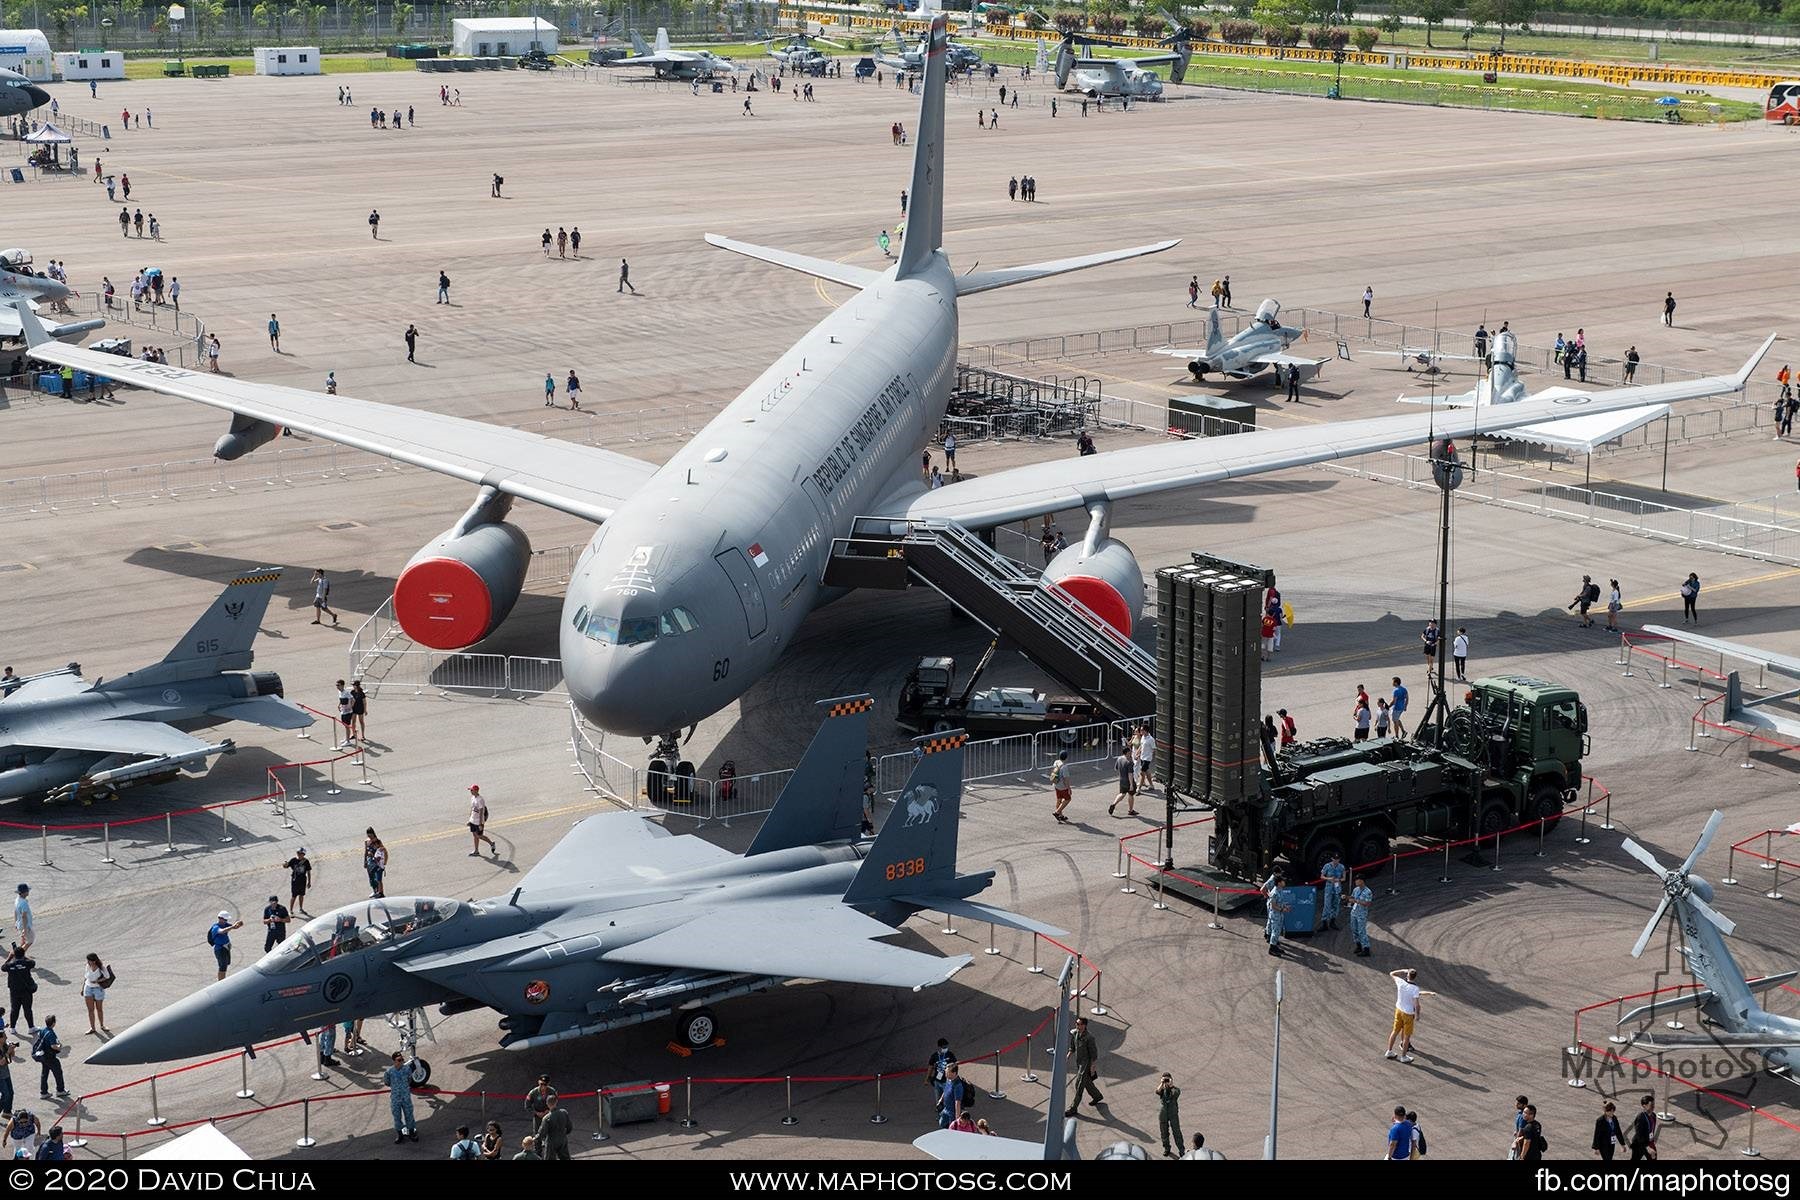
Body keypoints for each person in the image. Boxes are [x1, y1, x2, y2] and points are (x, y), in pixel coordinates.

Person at [1384, 968, 1436, 1062]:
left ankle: (1389, 1051)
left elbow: (1392, 973)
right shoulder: (1414, 988)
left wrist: (1404, 970)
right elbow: (1417, 1004)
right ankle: (1403, 1057)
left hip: (1399, 1010)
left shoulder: (1400, 982)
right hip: (1408, 1014)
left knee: (1395, 1031)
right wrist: (1417, 1015)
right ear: (1415, 977)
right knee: (1407, 1036)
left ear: (1407, 975)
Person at [1064, 1016, 1102, 1117]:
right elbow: (1072, 1047)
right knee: (1086, 1082)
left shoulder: (1089, 1038)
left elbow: (1094, 1054)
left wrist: (1092, 1067)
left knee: (1079, 1084)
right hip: (1079, 1062)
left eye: (1080, 1024)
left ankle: (1073, 1108)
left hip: (1086, 1064)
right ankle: (1097, 1096)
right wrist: (1067, 1057)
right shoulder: (1075, 1033)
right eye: (1077, 1024)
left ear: (1085, 1025)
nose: (1078, 1026)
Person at [383, 1052, 419, 1143]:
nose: (402, 1061)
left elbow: (409, 1079)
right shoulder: (389, 1072)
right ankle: (399, 1134)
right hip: (395, 1098)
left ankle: (411, 1132)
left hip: (405, 1097)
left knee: (409, 1115)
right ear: (394, 1061)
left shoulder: (407, 1069)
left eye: (402, 1059)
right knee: (397, 1116)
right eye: (399, 1060)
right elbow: (387, 1082)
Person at [30, 1016, 64, 1100]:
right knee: (58, 1073)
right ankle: (60, 1090)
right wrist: (59, 1046)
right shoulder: (51, 1033)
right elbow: (53, 1046)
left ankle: (44, 1092)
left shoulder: (43, 1030)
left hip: (43, 1056)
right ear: (53, 1023)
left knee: (44, 1073)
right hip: (50, 1057)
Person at [3, 945, 32, 1035]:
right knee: (27, 1009)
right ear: (23, 954)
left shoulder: (10, 965)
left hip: (14, 991)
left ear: (14, 955)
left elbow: (3, 967)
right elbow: (32, 962)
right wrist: (23, 956)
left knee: (14, 1009)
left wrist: (10, 957)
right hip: (26, 990)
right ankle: (31, 1027)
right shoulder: (26, 963)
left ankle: (12, 1028)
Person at [80, 954, 111, 1035]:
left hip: (98, 989)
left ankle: (102, 1025)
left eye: (89, 960)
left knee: (99, 1009)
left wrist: (98, 981)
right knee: (90, 1010)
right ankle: (92, 1028)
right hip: (88, 988)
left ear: (94, 961)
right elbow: (85, 977)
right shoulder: (87, 966)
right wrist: (82, 988)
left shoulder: (101, 967)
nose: (88, 962)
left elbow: (107, 976)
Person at [537, 1092, 573, 1160]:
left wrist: (536, 1139)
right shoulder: (564, 1112)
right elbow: (569, 1127)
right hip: (562, 1139)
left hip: (551, 1141)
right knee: (565, 1158)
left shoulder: (547, 1118)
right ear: (556, 1102)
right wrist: (563, 1134)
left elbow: (542, 1133)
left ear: (547, 1104)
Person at [1155, 1073, 1183, 1158]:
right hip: (1163, 1114)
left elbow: (1175, 1094)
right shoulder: (1162, 1089)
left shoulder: (1175, 1089)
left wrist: (1171, 1085)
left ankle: (1181, 1150)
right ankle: (1167, 1148)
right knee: (1164, 1133)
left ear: (1171, 1080)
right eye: (1165, 1080)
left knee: (1176, 1132)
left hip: (1173, 1114)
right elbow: (1157, 1091)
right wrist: (1162, 1083)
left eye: (1167, 1079)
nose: (1166, 1081)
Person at [208, 911, 242, 980]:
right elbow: (222, 931)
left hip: (226, 948)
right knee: (222, 966)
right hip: (220, 949)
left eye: (227, 920)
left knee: (226, 964)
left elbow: (234, 927)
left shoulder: (225, 924)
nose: (226, 921)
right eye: (225, 919)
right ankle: (221, 981)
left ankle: (222, 980)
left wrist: (238, 924)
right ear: (220, 918)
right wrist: (232, 927)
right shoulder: (215, 927)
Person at [468, 785, 497, 857]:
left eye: (472, 790)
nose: (471, 791)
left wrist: (480, 823)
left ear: (476, 791)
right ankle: (476, 850)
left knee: (479, 836)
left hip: (478, 821)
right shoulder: (473, 798)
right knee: (475, 835)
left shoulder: (480, 800)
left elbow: (481, 812)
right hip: (473, 820)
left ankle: (491, 843)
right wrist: (470, 819)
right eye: (470, 790)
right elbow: (472, 809)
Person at [1263, 871, 1288, 956]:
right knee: (1275, 931)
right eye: (1283, 881)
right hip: (1275, 915)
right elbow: (1273, 906)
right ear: (1279, 883)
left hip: (1279, 914)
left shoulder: (1280, 890)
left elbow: (1281, 902)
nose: (1284, 882)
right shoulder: (1274, 892)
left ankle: (1274, 946)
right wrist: (1282, 910)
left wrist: (1285, 907)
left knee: (1277, 931)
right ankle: (1272, 948)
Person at [935, 1061, 966, 1129]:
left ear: (954, 1073)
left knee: (952, 1129)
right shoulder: (948, 1079)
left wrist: (957, 1119)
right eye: (946, 1072)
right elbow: (946, 1089)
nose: (945, 1074)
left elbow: (957, 1103)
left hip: (952, 1112)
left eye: (947, 1073)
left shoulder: (958, 1086)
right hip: (946, 1109)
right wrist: (941, 1100)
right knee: (941, 1123)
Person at [1320, 850, 1346, 930]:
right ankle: (1324, 923)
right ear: (1332, 858)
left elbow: (1344, 878)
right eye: (1335, 859)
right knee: (1327, 905)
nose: (1336, 860)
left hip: (1337, 888)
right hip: (1329, 888)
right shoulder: (1327, 866)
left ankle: (1332, 922)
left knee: (1336, 905)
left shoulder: (1341, 867)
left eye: (1337, 859)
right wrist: (1329, 878)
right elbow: (1322, 876)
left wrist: (1339, 880)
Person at [1107, 747, 1136, 817]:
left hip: (1122, 780)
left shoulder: (1119, 758)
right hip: (1128, 781)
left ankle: (1113, 804)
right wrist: (1131, 784)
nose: (1131, 753)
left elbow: (1116, 768)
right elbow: (1130, 774)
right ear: (1127, 753)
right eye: (1130, 752)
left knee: (1122, 794)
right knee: (1131, 795)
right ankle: (1131, 810)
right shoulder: (1129, 762)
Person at [926, 1037, 957, 1103]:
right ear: (939, 1047)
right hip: (937, 1081)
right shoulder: (935, 1056)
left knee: (948, 1097)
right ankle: (939, 1108)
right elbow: (930, 1067)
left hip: (947, 1081)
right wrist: (927, 1078)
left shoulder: (950, 1054)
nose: (945, 1048)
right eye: (943, 1047)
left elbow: (955, 1066)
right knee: (938, 1098)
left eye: (946, 1046)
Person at [1629, 1093, 1657, 1160]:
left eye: (1653, 1104)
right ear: (1644, 1106)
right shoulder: (1641, 1118)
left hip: (1649, 1141)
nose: (1653, 1106)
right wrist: (1647, 1147)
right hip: (1639, 1144)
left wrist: (1651, 1141)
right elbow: (1639, 1134)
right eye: (1651, 1105)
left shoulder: (1653, 1115)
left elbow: (1651, 1130)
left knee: (1653, 1157)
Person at [283, 848, 313, 914]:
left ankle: (301, 909)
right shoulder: (293, 860)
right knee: (294, 896)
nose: (299, 854)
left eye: (301, 853)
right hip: (295, 881)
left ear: (303, 854)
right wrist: (285, 864)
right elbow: (286, 866)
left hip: (302, 881)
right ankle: (291, 910)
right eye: (298, 853)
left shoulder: (306, 861)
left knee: (301, 895)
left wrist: (309, 881)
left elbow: (308, 872)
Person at [1349, 876, 1373, 956]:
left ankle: (1366, 948)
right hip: (1354, 912)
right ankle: (1358, 946)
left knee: (1361, 931)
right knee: (1354, 930)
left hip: (1361, 914)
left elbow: (1368, 903)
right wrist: (1348, 898)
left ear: (1362, 881)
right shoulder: (1355, 889)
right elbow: (1352, 897)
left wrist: (1357, 901)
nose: (1355, 882)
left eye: (1357, 880)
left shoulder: (1368, 892)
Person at [1049, 751, 1072, 824]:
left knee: (1059, 799)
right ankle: (1057, 812)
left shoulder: (1056, 762)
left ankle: (1060, 815)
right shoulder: (1064, 766)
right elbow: (1066, 779)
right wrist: (1069, 788)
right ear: (1066, 758)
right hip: (1062, 786)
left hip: (1056, 784)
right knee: (1068, 799)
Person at [12, 887, 32, 954]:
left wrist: (15, 923)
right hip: (25, 925)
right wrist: (25, 929)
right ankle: (18, 955)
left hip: (20, 924)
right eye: (27, 891)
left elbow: (15, 911)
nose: (28, 892)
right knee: (30, 940)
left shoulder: (17, 900)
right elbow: (24, 916)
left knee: (23, 940)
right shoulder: (24, 903)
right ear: (24, 893)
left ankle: (16, 952)